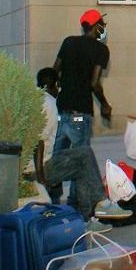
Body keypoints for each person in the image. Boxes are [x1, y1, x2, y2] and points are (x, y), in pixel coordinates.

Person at [32, 69, 118, 232]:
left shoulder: (33, 98)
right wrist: (42, 177)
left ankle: (94, 205)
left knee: (83, 154)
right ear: (56, 85)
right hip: (39, 166)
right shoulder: (49, 103)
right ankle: (90, 213)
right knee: (84, 162)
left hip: (40, 156)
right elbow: (39, 142)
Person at [51, 9, 112, 202]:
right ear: (96, 26)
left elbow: (54, 72)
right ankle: (75, 202)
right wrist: (104, 104)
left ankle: (52, 200)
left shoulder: (68, 42)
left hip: (62, 111)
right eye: (102, 24)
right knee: (80, 160)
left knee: (56, 159)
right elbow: (94, 83)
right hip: (81, 114)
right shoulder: (101, 50)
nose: (104, 28)